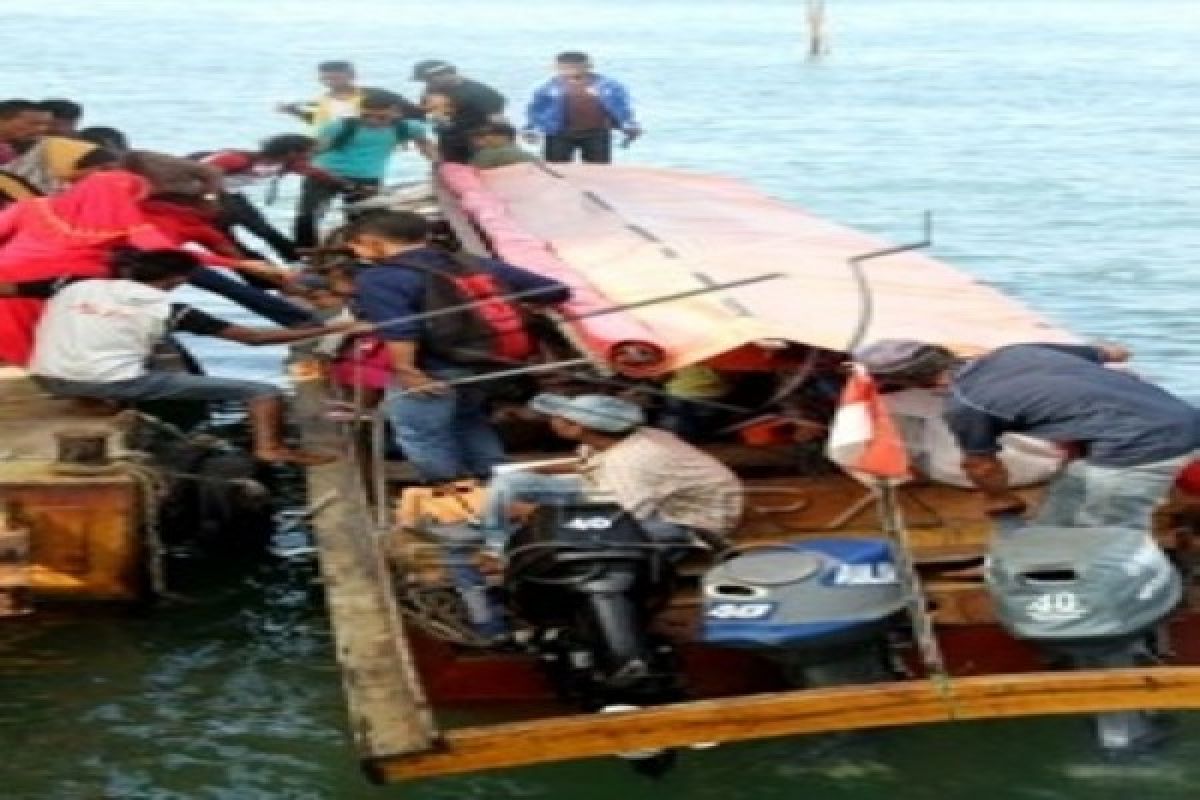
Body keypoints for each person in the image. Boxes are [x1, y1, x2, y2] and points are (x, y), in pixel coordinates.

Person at [18, 249, 355, 465]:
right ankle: (270, 448)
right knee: (263, 392)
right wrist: (324, 330)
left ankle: (87, 397)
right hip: (116, 381)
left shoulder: (72, 285)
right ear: (176, 280)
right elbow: (255, 339)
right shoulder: (168, 307)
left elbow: (8, 288)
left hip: (46, 377)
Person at [855, 339, 1200, 531]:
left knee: (1109, 532)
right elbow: (1114, 352)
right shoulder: (1013, 352)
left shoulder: (965, 404)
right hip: (1181, 416)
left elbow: (982, 467)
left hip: (1143, 446)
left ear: (909, 383)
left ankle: (1129, 601)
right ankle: (1051, 539)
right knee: (1070, 491)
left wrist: (999, 499)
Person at [342, 210, 570, 484]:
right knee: (468, 418)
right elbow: (554, 290)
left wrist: (406, 369)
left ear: (373, 242)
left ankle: (455, 491)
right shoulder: (471, 262)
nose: (355, 253)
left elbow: (400, 328)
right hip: (489, 364)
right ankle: (496, 481)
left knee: (420, 432)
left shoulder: (380, 278)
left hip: (434, 367)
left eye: (355, 245)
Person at [0, 170, 300, 366]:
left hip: (9, 275)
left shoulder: (31, 207)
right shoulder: (127, 223)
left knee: (12, 329)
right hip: (76, 283)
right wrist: (239, 263)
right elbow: (165, 253)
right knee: (57, 333)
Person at [478, 393, 743, 549]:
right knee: (509, 482)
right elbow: (585, 466)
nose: (552, 420)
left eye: (560, 418)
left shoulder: (631, 461)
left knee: (582, 539)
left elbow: (617, 517)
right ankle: (498, 549)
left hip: (687, 523)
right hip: (625, 495)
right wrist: (530, 471)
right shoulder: (614, 440)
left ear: (576, 428)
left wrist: (537, 512)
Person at [294, 89, 435, 249]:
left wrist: (440, 163)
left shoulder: (407, 128)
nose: (373, 121)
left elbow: (425, 145)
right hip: (326, 174)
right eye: (366, 116)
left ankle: (360, 250)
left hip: (367, 178)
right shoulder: (340, 127)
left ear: (396, 112)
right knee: (309, 215)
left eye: (381, 117)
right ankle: (305, 252)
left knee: (369, 220)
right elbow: (315, 150)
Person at [199, 134, 339, 262]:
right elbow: (201, 172)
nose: (311, 156)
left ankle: (296, 260)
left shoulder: (285, 163)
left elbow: (315, 173)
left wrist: (344, 186)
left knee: (265, 230)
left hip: (232, 195)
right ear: (291, 152)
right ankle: (261, 269)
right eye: (308, 152)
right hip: (207, 197)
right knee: (235, 237)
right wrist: (210, 200)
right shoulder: (239, 158)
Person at [524, 51, 640, 164]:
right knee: (557, 169)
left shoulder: (608, 86)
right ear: (557, 67)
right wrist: (530, 129)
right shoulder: (548, 88)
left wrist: (629, 125)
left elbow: (621, 107)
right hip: (559, 133)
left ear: (588, 66)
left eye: (575, 67)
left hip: (596, 133)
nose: (570, 70)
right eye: (565, 68)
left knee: (598, 171)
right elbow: (536, 110)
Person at [411, 60, 506, 164]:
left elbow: (499, 123)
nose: (427, 84)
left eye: (429, 80)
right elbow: (420, 117)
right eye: (425, 81)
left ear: (446, 74)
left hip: (478, 146)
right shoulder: (431, 90)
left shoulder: (481, 92)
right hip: (448, 145)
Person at [278, 60, 364, 129]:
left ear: (352, 76)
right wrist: (294, 112)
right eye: (326, 78)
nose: (330, 81)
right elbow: (320, 122)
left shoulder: (368, 96)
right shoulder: (322, 99)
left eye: (336, 78)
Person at [0, 100, 51, 165]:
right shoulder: (4, 152)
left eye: (46, 124)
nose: (42, 129)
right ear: (2, 120)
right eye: (34, 123)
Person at [469, 122, 536, 169]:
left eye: (492, 135)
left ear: (505, 137)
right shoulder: (527, 154)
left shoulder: (490, 153)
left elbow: (471, 171)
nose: (487, 138)